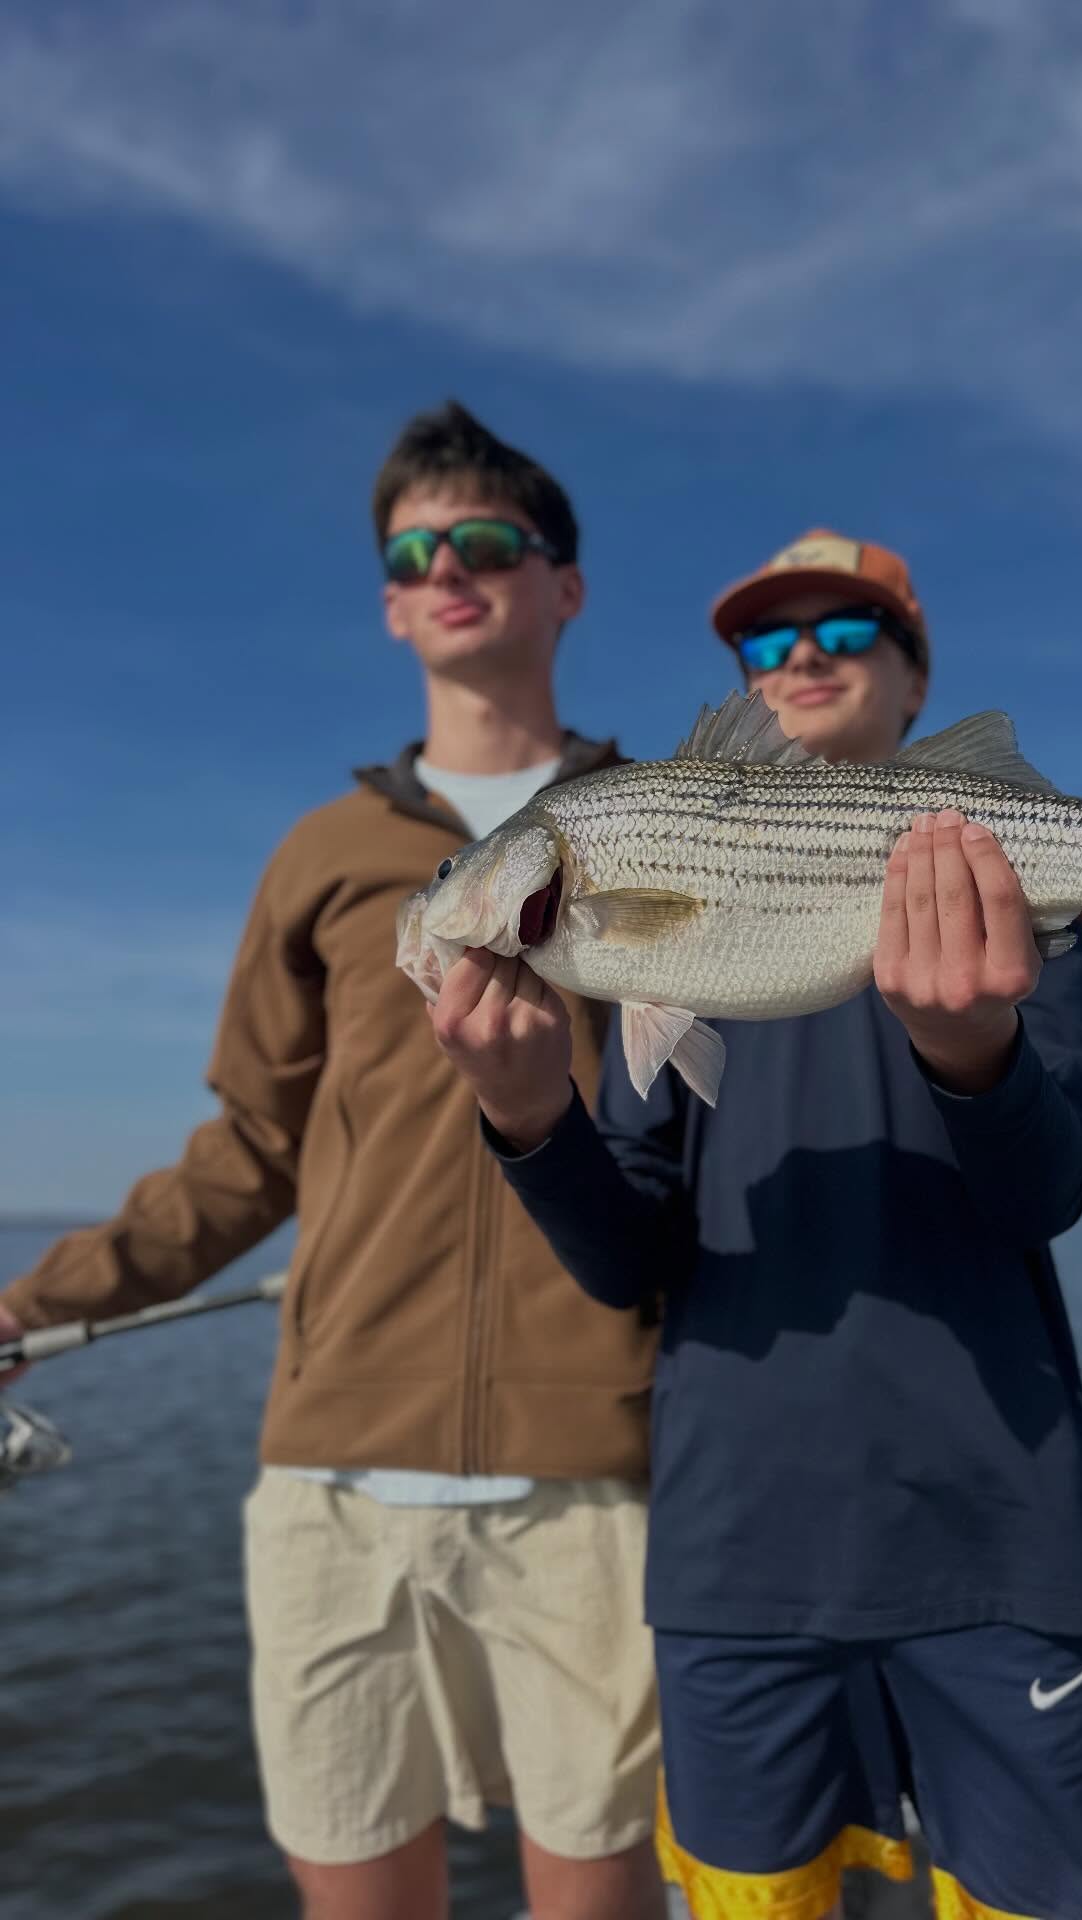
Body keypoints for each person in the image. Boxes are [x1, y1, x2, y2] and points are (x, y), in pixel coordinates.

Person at [0, 404, 668, 1920]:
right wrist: (33, 1303)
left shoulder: (667, 823)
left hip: (598, 1467)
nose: (449, 572)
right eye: (414, 555)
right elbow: (251, 1148)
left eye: (485, 542)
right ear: (389, 606)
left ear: (565, 584)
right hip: (335, 1470)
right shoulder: (322, 853)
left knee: (600, 1890)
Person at [430, 530, 1082, 1920]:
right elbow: (628, 1259)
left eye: (847, 628)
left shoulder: (998, 880)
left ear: (916, 676)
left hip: (1001, 1536)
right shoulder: (631, 940)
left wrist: (974, 1049)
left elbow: (1045, 1194)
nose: (805, 654)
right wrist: (530, 1115)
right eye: (768, 640)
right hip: (735, 1556)